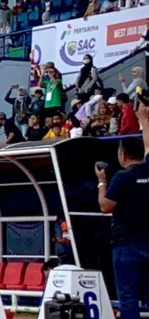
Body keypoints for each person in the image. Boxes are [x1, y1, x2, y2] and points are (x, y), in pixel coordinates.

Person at [97, 102, 149, 319]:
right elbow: (148, 147)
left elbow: (105, 207)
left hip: (126, 245)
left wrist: (101, 183)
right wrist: (144, 119)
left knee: (127, 299)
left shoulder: (122, 177)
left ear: (123, 154)